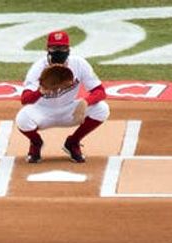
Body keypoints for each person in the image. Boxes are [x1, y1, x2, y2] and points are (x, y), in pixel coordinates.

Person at [16, 30, 111, 164]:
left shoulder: (79, 64)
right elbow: (25, 99)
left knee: (102, 108)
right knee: (22, 119)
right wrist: (40, 91)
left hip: (69, 110)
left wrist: (85, 102)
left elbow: (100, 91)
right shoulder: (38, 67)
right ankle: (36, 143)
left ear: (68, 49)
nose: (59, 51)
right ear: (47, 49)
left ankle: (73, 142)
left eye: (62, 47)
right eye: (54, 48)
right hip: (43, 112)